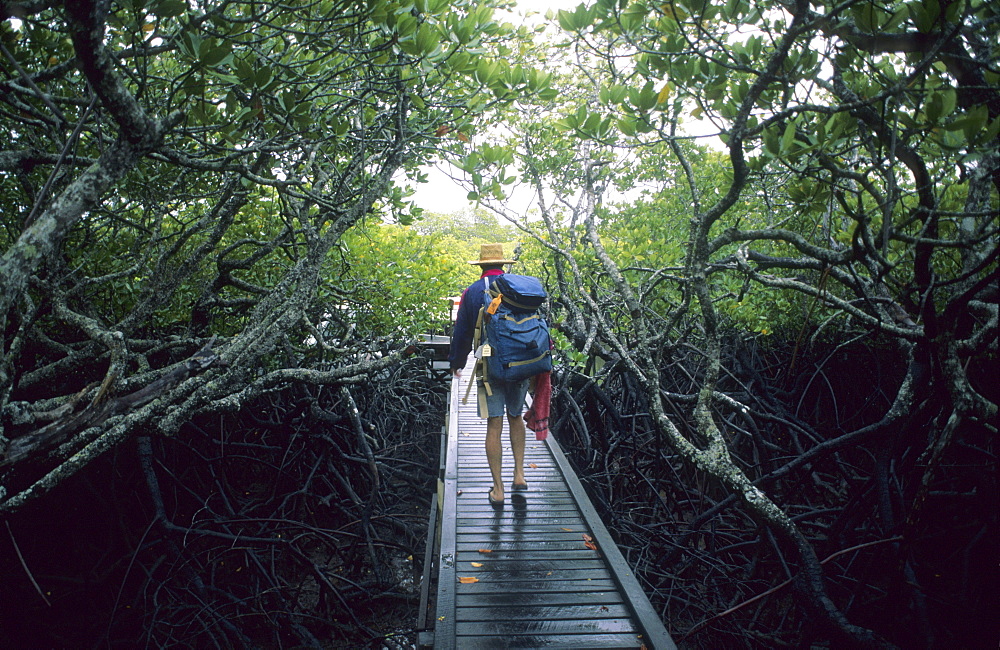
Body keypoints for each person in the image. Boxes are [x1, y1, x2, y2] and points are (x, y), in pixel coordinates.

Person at [449, 243, 529, 507]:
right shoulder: (519, 288)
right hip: (521, 362)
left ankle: (498, 489)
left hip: (489, 363)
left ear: (481, 266)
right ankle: (519, 474)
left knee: (495, 424)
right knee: (516, 417)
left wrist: (457, 362)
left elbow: (461, 332)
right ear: (504, 265)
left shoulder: (472, 292)